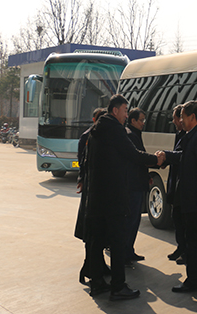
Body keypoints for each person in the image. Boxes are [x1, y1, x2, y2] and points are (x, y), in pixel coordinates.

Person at [84, 94, 163, 301]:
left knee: (97, 240)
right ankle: (118, 286)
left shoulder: (96, 130)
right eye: (125, 111)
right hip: (113, 196)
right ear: (115, 110)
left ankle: (97, 283)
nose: (126, 115)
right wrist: (156, 159)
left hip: (96, 195)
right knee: (118, 240)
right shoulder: (115, 129)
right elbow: (133, 154)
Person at [157, 100, 197, 293]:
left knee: (194, 242)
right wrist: (167, 155)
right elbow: (183, 156)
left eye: (183, 117)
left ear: (192, 117)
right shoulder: (193, 135)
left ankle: (194, 281)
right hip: (196, 200)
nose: (180, 121)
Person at [75, 107, 107, 286]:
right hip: (91, 190)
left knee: (96, 234)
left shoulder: (99, 137)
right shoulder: (89, 137)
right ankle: (91, 268)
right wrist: (81, 179)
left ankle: (97, 265)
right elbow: (83, 163)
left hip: (93, 189)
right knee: (92, 233)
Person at [124, 108, 150, 265]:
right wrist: (155, 160)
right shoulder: (130, 135)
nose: (143, 123)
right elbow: (137, 158)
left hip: (137, 183)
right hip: (132, 185)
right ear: (133, 121)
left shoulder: (135, 134)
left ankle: (129, 250)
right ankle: (125, 253)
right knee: (131, 220)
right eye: (141, 120)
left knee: (135, 220)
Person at [164, 105, 187, 263]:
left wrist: (166, 156)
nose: (173, 121)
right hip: (175, 181)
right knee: (176, 219)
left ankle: (186, 251)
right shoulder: (179, 134)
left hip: (182, 184)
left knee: (182, 221)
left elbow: (181, 156)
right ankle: (181, 247)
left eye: (175, 118)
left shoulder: (189, 136)